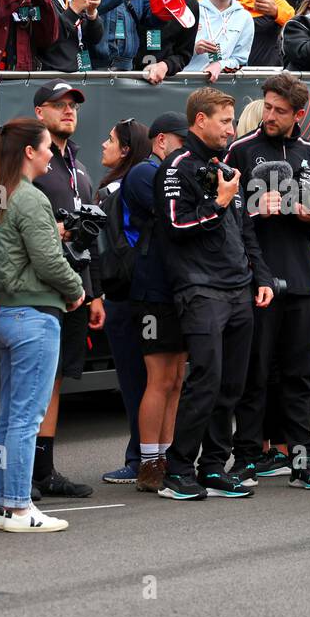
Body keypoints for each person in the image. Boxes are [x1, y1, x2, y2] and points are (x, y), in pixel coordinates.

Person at [155, 87, 275, 500]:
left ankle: (212, 467)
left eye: (231, 120)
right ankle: (178, 470)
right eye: (225, 121)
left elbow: (246, 232)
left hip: (238, 290)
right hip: (199, 289)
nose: (231, 128)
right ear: (200, 120)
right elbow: (175, 228)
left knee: (231, 385)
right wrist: (218, 204)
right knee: (205, 379)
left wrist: (261, 277)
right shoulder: (176, 166)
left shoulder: (224, 166)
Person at [226, 74, 310, 490]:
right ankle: (248, 457)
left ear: (298, 115)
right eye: (267, 107)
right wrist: (256, 207)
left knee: (298, 375)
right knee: (253, 373)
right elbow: (227, 218)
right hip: (258, 279)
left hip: (305, 277)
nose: (270, 116)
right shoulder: (240, 150)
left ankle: (302, 460)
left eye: (280, 110)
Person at [0, 118, 84, 533]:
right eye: (45, 148)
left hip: (3, 314)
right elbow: (48, 260)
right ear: (29, 152)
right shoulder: (32, 198)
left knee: (9, 417)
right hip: (33, 317)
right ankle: (19, 508)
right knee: (26, 418)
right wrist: (76, 289)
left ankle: (7, 501)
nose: (50, 155)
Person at [31, 81, 105, 499]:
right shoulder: (33, 163)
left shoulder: (77, 165)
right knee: (32, 380)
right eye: (59, 105)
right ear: (39, 113)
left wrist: (93, 294)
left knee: (56, 379)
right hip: (39, 288)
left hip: (75, 289)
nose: (68, 111)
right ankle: (21, 470)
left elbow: (87, 240)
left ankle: (45, 471)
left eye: (72, 105)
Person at [123, 113, 189, 492]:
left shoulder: (167, 170)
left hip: (176, 286)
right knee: (159, 377)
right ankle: (149, 463)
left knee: (177, 377)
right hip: (152, 289)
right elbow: (173, 216)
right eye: (182, 143)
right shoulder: (144, 174)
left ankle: (163, 456)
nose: (186, 153)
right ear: (161, 141)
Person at [97, 118, 152, 485]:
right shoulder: (144, 181)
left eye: (111, 139)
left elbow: (115, 247)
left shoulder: (115, 190)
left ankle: (139, 457)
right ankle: (153, 454)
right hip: (148, 296)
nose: (103, 144)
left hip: (125, 297)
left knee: (137, 382)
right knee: (156, 380)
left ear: (126, 150)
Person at [185, 0, 254, 81]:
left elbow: (240, 59)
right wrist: (194, 48)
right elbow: (174, 51)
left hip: (222, 83)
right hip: (187, 80)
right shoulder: (190, 10)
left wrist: (220, 64)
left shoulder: (245, 17)